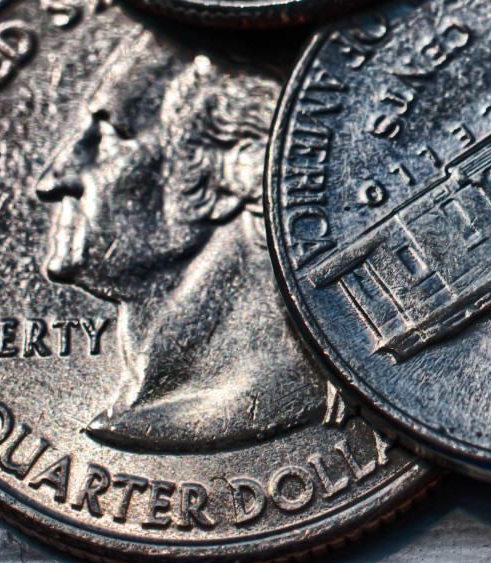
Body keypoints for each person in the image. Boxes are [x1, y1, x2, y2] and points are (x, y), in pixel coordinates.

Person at [34, 27, 333, 452]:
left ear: (231, 172)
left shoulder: (267, 402)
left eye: (111, 135)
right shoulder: (137, 412)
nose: (53, 180)